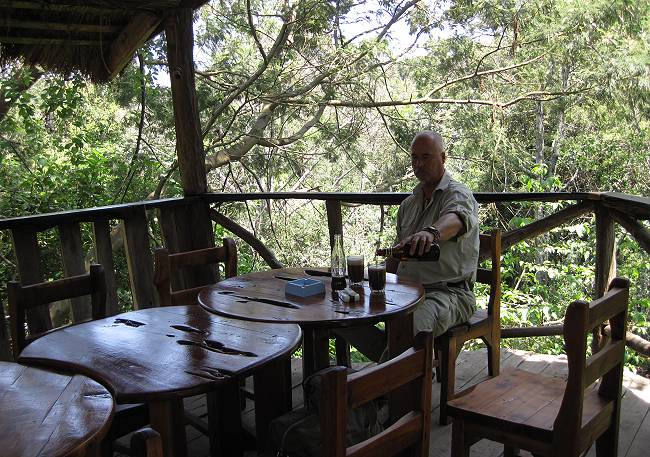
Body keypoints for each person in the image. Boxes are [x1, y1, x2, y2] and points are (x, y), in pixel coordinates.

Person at [336, 130, 479, 362]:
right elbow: (397, 256)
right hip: (405, 290)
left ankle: (379, 389)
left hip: (448, 293)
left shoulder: (458, 194)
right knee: (340, 311)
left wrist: (431, 233)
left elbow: (456, 218)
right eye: (414, 157)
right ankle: (405, 369)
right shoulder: (409, 205)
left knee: (410, 327)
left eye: (426, 157)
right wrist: (366, 281)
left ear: (443, 158)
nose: (419, 164)